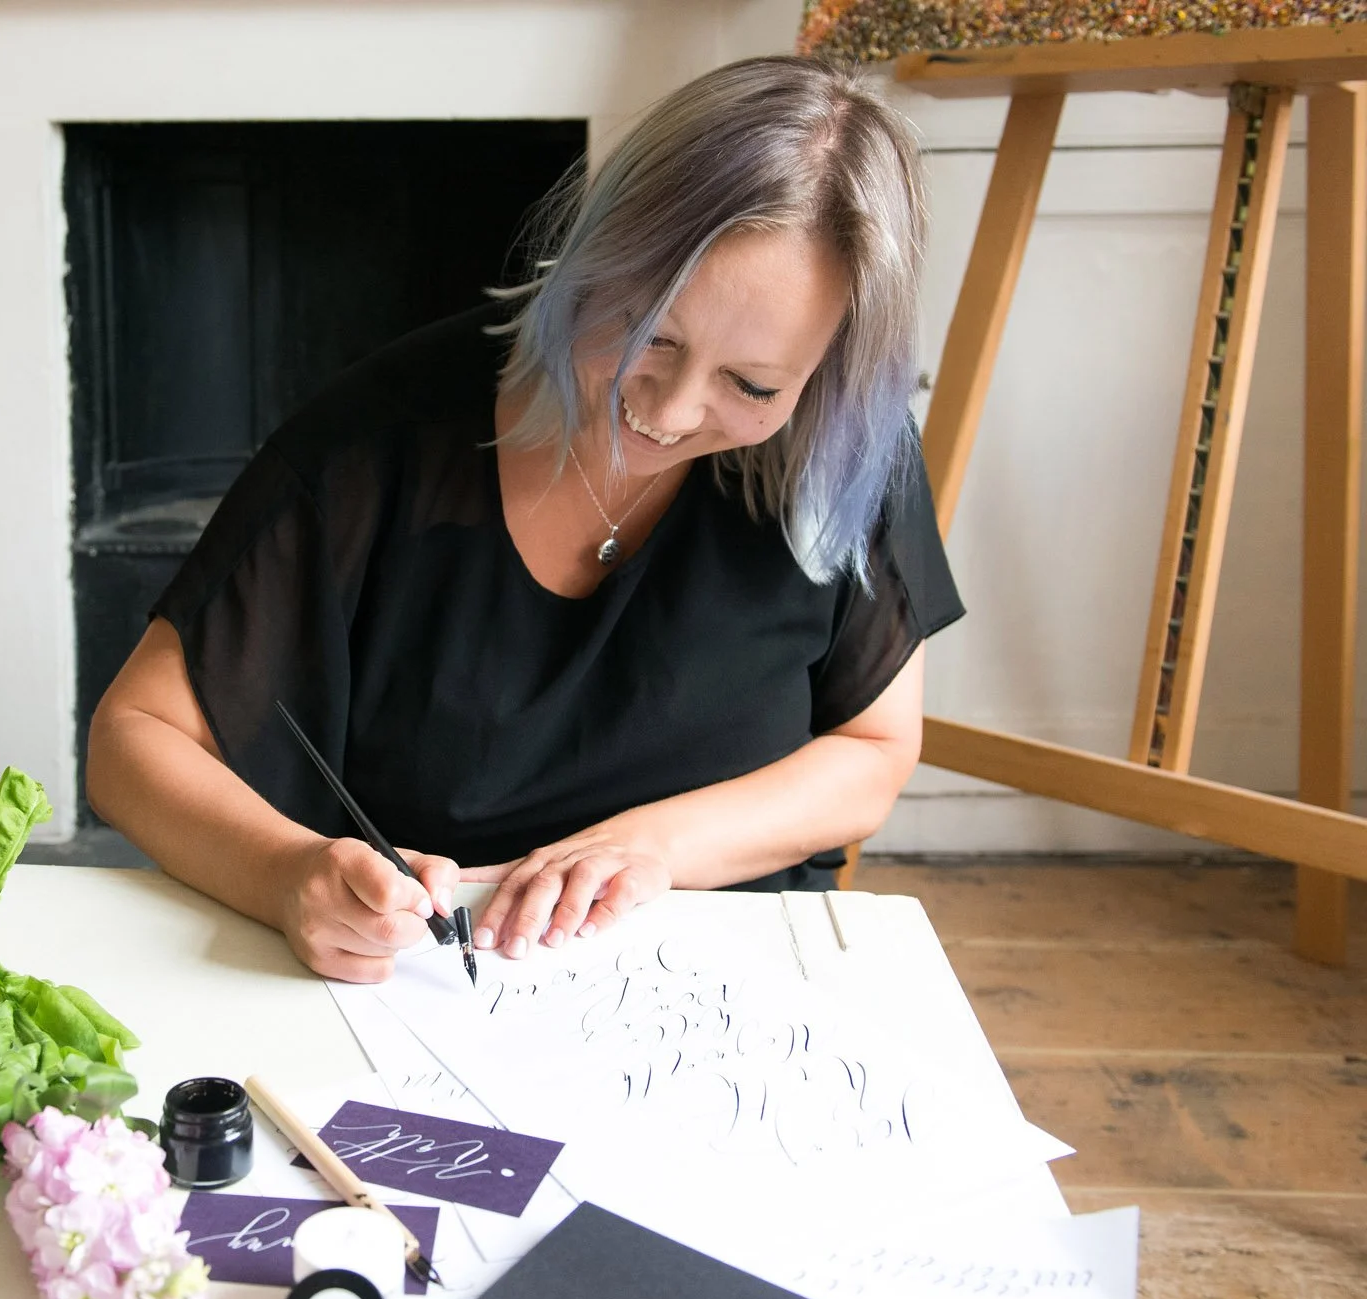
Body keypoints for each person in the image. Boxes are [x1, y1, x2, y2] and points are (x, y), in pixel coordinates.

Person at [86, 56, 961, 983]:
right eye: (647, 333)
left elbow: (873, 748)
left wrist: (651, 847)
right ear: (598, 253)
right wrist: (286, 873)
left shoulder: (848, 449)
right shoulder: (382, 441)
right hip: (421, 983)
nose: (667, 410)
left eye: (752, 385)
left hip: (723, 985)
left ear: (828, 375)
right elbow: (130, 738)